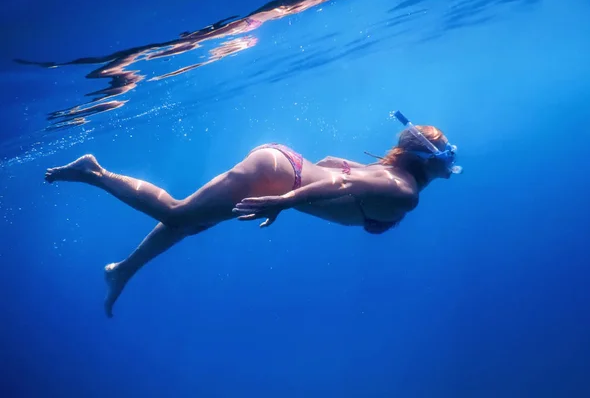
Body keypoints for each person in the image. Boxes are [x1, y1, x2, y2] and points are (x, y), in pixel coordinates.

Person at [44, 110, 462, 318]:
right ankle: (94, 172)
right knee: (177, 212)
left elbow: (334, 164)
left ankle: (121, 271)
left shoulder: (387, 172)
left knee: (193, 222)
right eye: (448, 152)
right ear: (428, 159)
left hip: (283, 168)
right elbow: (341, 183)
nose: (451, 160)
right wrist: (286, 199)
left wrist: (296, 191)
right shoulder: (405, 191)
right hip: (278, 176)